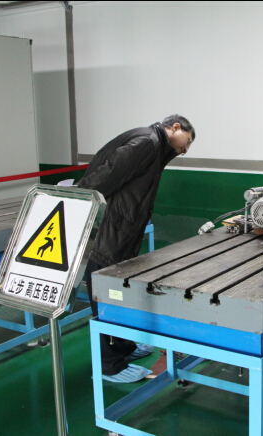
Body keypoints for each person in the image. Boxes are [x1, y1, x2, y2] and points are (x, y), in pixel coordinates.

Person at [77, 114, 195, 383]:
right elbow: (106, 174)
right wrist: (84, 201)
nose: (185, 149)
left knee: (119, 289)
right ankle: (109, 364)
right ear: (175, 127)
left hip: (125, 228)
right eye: (186, 141)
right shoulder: (147, 142)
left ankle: (124, 347)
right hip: (113, 227)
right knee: (104, 288)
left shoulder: (156, 148)